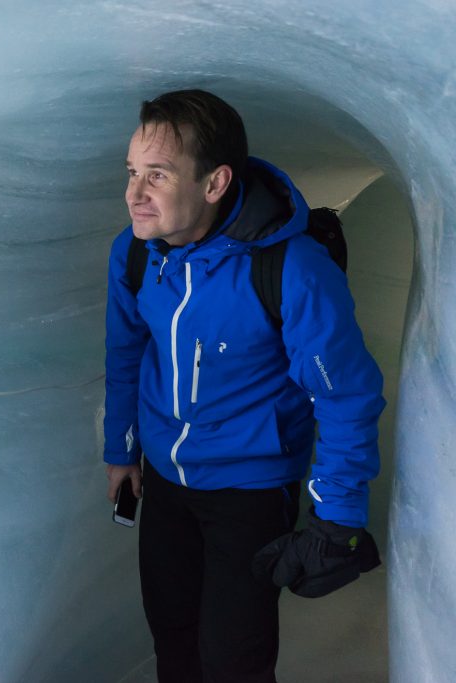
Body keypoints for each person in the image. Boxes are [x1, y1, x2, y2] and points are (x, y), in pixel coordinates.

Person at [103, 89, 385, 683]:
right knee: (173, 640)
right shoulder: (133, 254)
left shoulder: (292, 269)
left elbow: (345, 395)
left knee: (233, 661)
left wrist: (336, 517)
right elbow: (126, 353)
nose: (134, 193)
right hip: (166, 484)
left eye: (157, 175)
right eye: (132, 172)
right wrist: (121, 450)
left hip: (251, 491)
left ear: (214, 183)